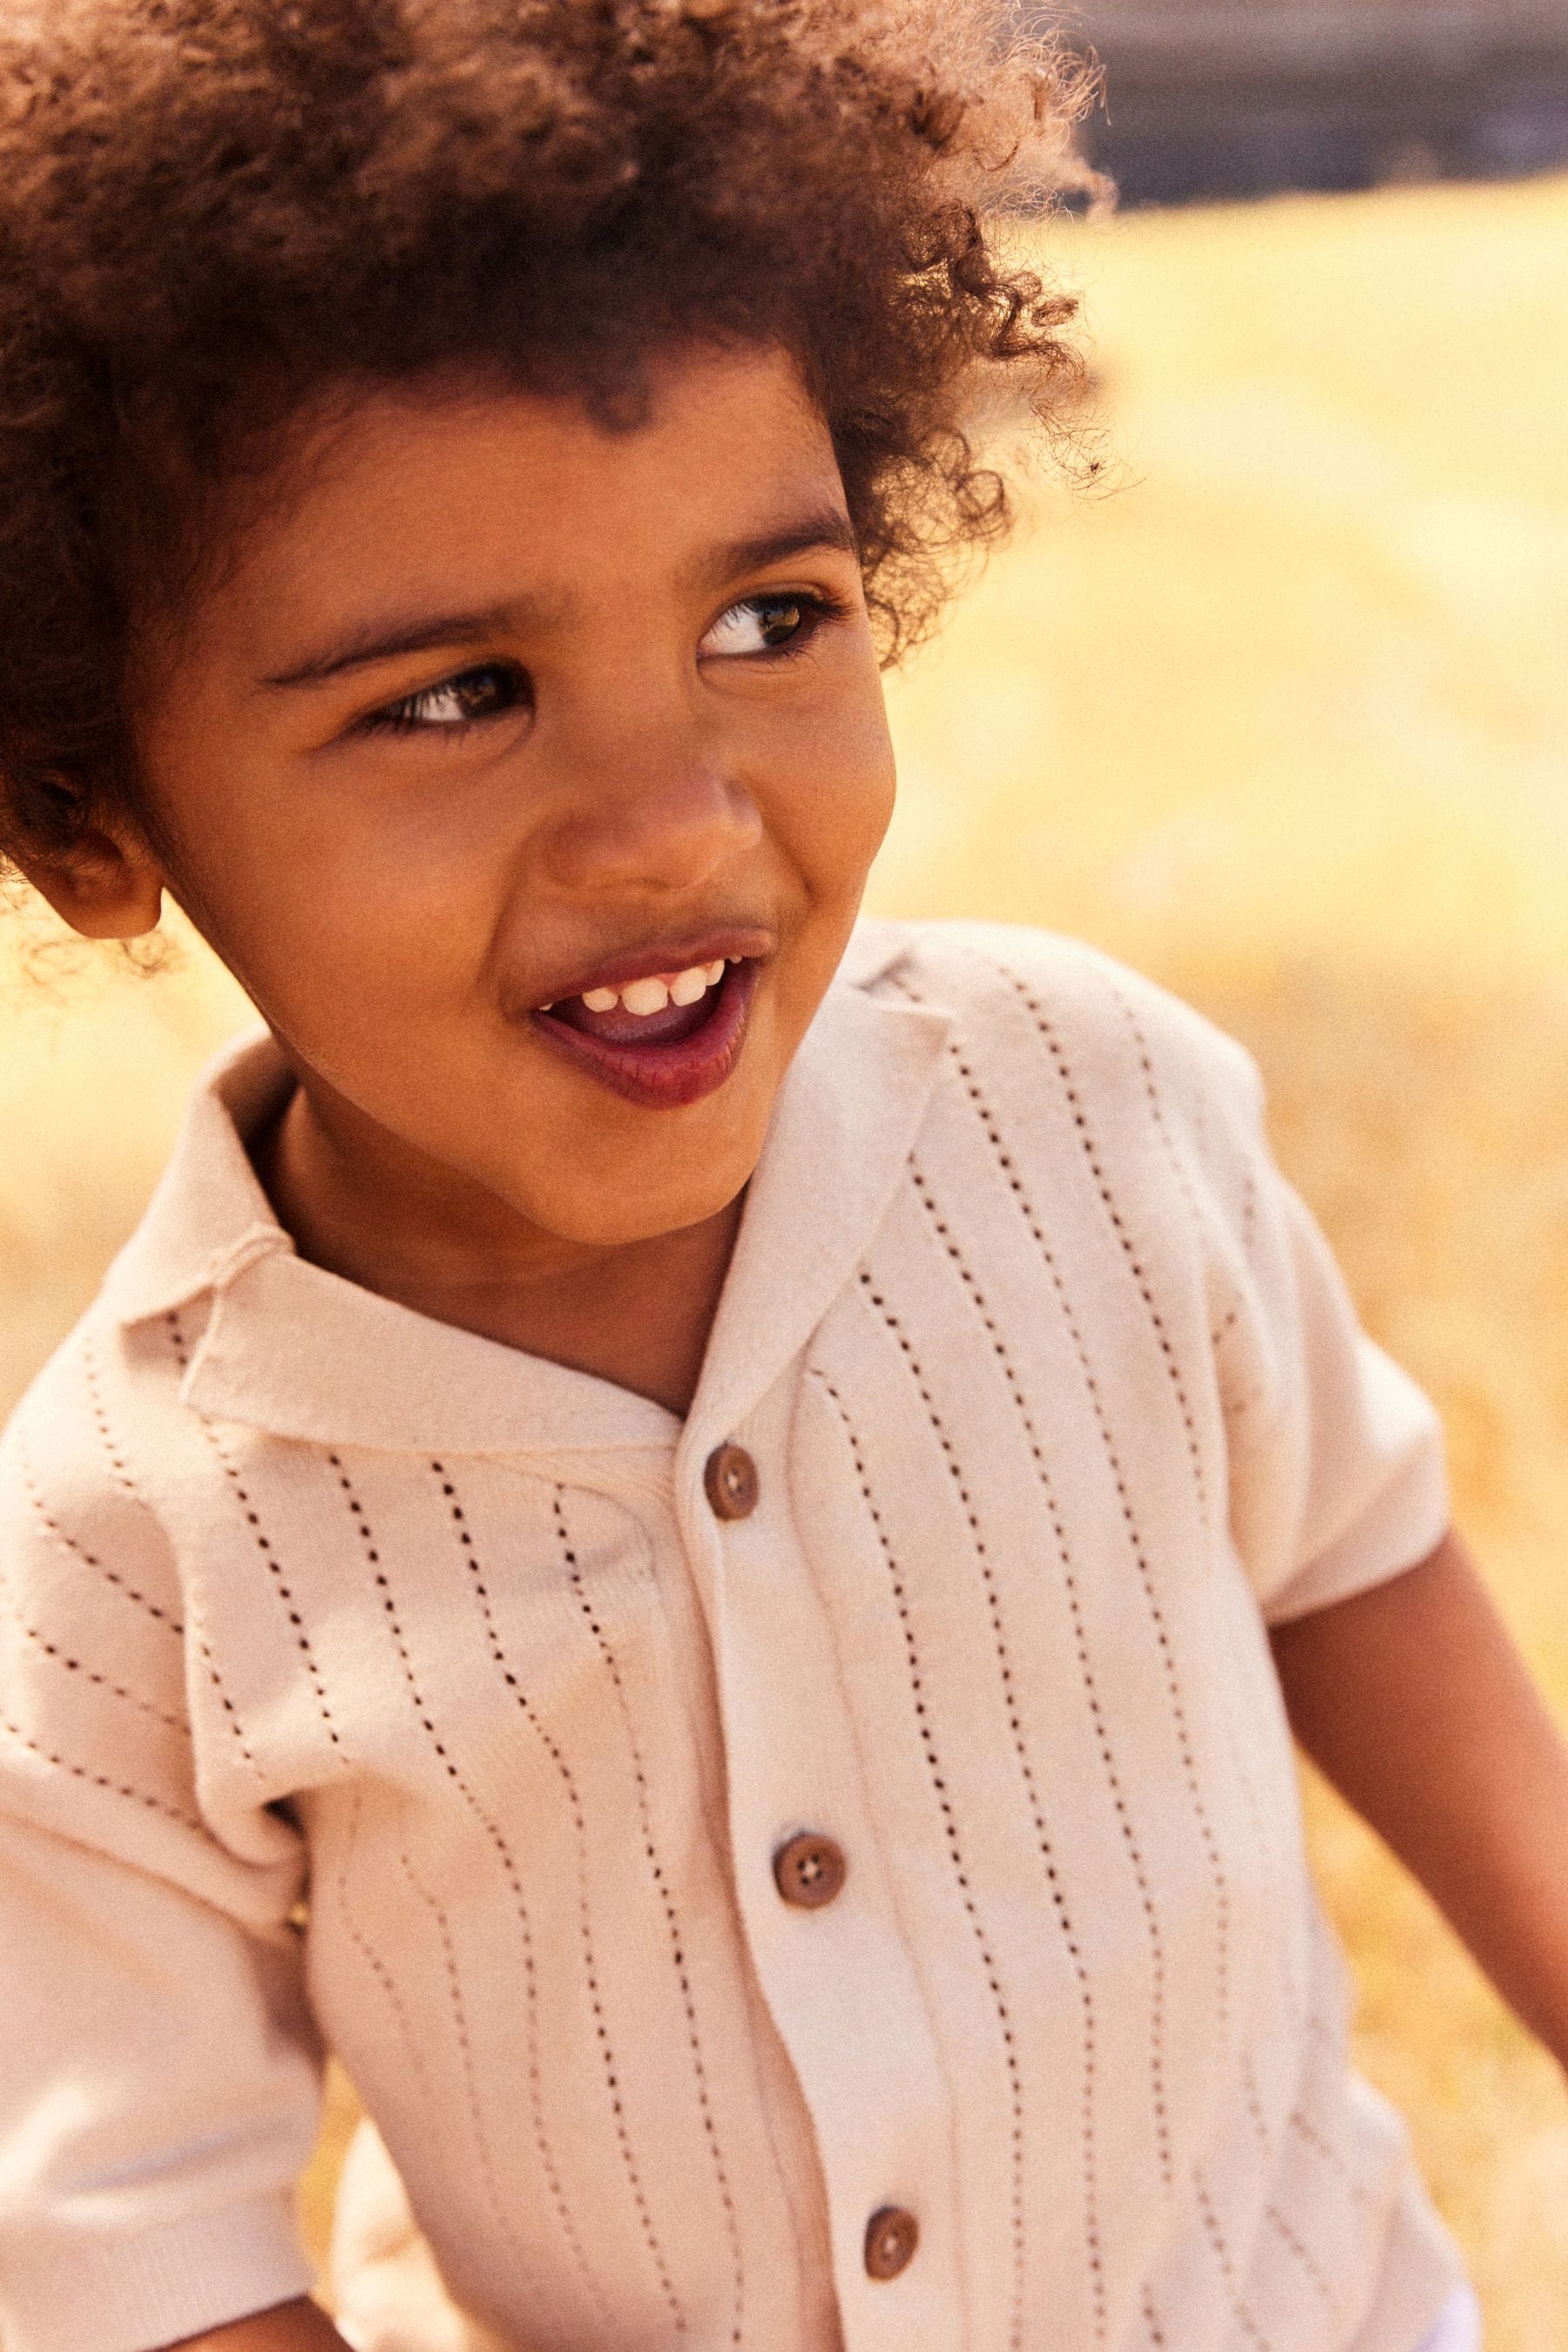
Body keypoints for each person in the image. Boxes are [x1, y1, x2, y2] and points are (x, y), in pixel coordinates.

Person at [0, 3, 1561, 2349]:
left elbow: (1350, 1546)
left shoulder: (1089, 1108)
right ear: (103, 825)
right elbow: (134, 2233)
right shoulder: (130, 1547)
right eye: (451, 696)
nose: (676, 825)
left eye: (767, 623)